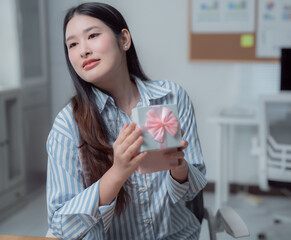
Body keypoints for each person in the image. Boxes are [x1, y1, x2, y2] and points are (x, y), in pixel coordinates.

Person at [46, 2, 207, 240]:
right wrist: (118, 172)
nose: (83, 50)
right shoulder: (68, 125)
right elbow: (62, 225)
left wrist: (179, 169)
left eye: (92, 35)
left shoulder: (171, 96)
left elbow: (192, 192)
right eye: (72, 44)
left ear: (124, 40)